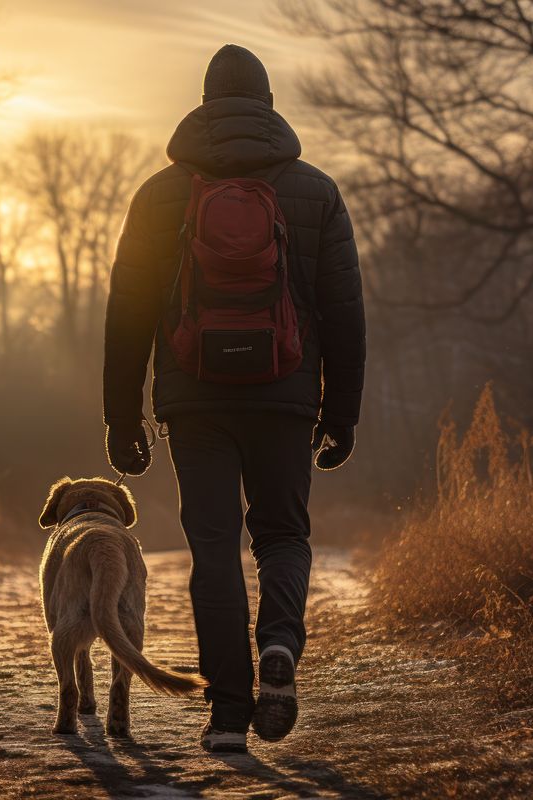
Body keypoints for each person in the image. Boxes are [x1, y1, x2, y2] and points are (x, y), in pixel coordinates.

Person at [102, 43, 366, 753]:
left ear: (205, 103)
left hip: (195, 399)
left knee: (212, 549)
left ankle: (226, 714)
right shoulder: (313, 190)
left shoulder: (161, 195)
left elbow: (127, 310)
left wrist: (121, 416)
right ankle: (279, 645)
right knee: (282, 534)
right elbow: (344, 310)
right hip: (284, 393)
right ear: (269, 103)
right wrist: (341, 411)